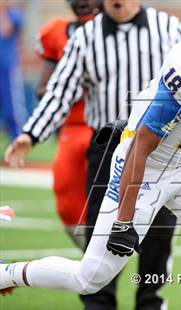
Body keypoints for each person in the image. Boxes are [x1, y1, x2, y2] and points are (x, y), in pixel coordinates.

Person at [1, 0, 181, 308]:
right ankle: (8, 273)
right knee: (90, 277)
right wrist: (124, 221)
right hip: (146, 163)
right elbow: (141, 143)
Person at [4, 0, 181, 309]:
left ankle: (150, 302)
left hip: (160, 153)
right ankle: (99, 304)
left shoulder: (169, 29)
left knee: (158, 237)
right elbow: (60, 92)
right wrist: (30, 134)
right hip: (108, 150)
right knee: (100, 241)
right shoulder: (85, 37)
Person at [34, 0, 100, 249]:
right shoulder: (57, 32)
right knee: (68, 203)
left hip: (113, 126)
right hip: (73, 126)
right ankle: (95, 259)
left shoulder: (123, 32)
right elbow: (42, 89)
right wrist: (69, 85)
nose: (83, 3)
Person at [0, 0, 26, 140]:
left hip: (7, 68)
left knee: (12, 111)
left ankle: (17, 142)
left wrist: (2, 8)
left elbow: (5, 30)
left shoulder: (14, 15)